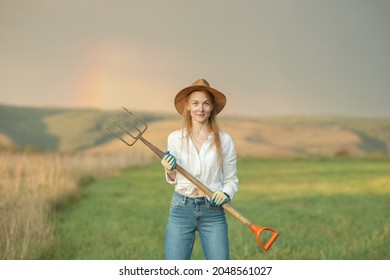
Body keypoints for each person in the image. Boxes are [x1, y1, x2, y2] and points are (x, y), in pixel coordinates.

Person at [160, 78, 239, 260]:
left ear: (212, 108)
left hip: (213, 211)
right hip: (181, 208)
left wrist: (226, 193)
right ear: (187, 106)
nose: (200, 109)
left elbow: (231, 180)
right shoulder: (175, 138)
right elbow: (173, 177)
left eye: (205, 104)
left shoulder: (225, 140)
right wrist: (169, 169)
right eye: (195, 103)